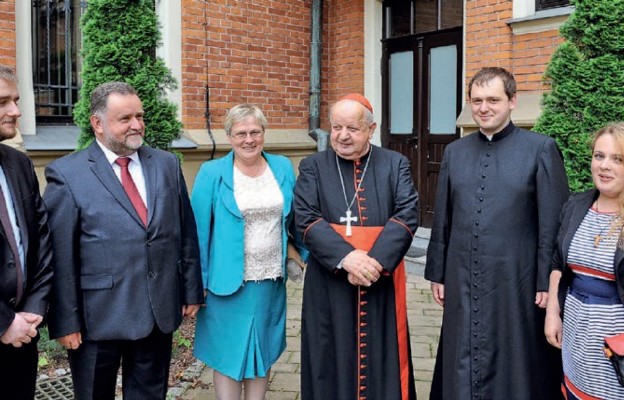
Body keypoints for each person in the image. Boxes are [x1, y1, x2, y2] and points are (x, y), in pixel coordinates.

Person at [43, 82, 203, 399]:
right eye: (125, 118)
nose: (137, 125)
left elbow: (184, 232)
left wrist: (191, 289)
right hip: (96, 319)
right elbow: (61, 255)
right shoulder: (67, 174)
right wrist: (64, 321)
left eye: (140, 116)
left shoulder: (166, 165)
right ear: (97, 124)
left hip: (157, 311)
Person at [425, 66, 570, 399]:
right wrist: (438, 273)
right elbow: (443, 217)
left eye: (493, 99)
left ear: (512, 101)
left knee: (516, 359)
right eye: (476, 100)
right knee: (461, 353)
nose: (483, 108)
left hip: (516, 279)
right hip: (462, 274)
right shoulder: (455, 152)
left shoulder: (541, 148)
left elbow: (553, 224)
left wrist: (545, 281)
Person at [294, 93, 419, 400]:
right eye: (336, 127)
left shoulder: (394, 164)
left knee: (384, 353)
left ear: (371, 129)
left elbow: (407, 214)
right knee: (328, 352)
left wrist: (373, 263)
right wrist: (347, 258)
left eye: (352, 128)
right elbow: (305, 218)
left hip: (381, 279)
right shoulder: (313, 166)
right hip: (330, 279)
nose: (342, 135)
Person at [191, 104, 306, 400]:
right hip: (225, 285)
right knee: (228, 357)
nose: (249, 139)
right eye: (241, 133)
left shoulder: (281, 167)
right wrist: (195, 286)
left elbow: (295, 219)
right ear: (229, 136)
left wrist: (300, 255)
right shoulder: (212, 172)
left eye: (255, 132)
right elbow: (198, 234)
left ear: (264, 133)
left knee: (262, 353)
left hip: (269, 280)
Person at [545, 122, 624, 400]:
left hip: (616, 351)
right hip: (576, 339)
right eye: (599, 156)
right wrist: (553, 313)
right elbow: (558, 262)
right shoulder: (576, 205)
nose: (605, 166)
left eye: (618, 159)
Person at [0, 66, 53, 399]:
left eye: (16, 101)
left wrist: (34, 307)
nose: (16, 111)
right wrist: (4, 322)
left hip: (23, 336)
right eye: (3, 102)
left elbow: (41, 240)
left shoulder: (19, 164)